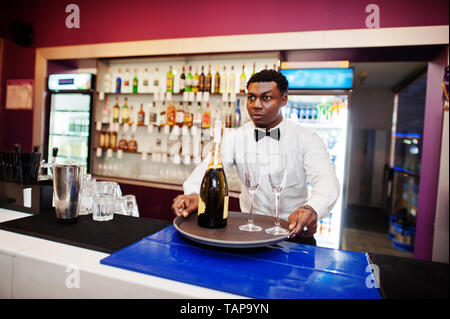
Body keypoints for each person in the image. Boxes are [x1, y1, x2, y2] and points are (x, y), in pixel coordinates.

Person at [171, 70, 340, 245]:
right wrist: (193, 195)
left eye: (266, 98)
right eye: (251, 98)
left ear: (283, 100)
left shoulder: (306, 138)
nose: (256, 105)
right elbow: (205, 172)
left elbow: (328, 185)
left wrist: (310, 209)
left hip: (294, 234)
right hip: (249, 232)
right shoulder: (234, 138)